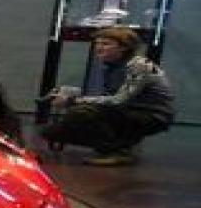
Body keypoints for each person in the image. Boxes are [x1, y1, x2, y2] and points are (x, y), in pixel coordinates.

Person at [41, 27, 174, 166]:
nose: (99, 48)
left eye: (106, 44)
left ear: (124, 47)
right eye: (97, 43)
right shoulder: (114, 65)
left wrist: (73, 100)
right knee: (50, 132)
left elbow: (118, 100)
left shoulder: (138, 65)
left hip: (151, 115)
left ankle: (119, 151)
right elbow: (109, 96)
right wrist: (71, 93)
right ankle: (121, 142)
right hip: (129, 110)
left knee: (81, 113)